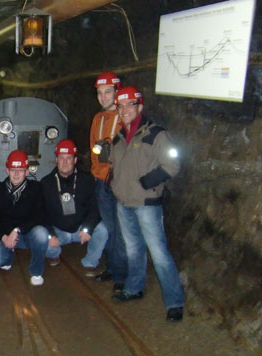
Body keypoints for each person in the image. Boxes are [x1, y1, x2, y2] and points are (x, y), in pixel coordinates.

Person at [109, 86, 184, 322]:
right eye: (121, 106)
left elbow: (173, 163)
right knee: (134, 250)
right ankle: (134, 288)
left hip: (146, 204)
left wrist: (147, 181)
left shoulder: (157, 134)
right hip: (124, 203)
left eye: (130, 104)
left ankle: (174, 302)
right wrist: (114, 181)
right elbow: (114, 163)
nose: (125, 110)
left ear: (140, 107)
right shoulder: (119, 137)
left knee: (159, 253)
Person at [41, 139, 109, 276]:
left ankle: (90, 262)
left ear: (75, 160)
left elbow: (95, 207)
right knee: (41, 236)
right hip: (59, 232)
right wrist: (50, 234)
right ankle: (53, 254)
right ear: (56, 160)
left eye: (69, 158)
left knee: (102, 230)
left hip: (80, 230)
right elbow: (41, 213)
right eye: (61, 158)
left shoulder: (87, 180)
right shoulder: (46, 183)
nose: (65, 162)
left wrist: (88, 228)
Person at [0, 150, 51, 286]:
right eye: (13, 170)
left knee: (42, 234)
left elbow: (40, 216)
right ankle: (9, 254)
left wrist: (18, 230)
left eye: (20, 170)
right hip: (5, 234)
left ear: (27, 172)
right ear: (7, 170)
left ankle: (36, 271)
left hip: (27, 234)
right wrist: (4, 237)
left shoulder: (36, 188)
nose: (16, 174)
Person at [89, 72, 128, 291]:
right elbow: (94, 150)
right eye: (100, 93)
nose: (103, 97)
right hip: (102, 183)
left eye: (107, 92)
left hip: (120, 183)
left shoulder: (125, 117)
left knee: (121, 230)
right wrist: (99, 174)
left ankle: (121, 275)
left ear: (116, 92)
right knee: (112, 228)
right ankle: (112, 269)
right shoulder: (98, 119)